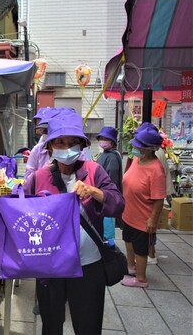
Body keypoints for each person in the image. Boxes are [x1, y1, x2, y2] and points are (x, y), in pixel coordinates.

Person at [11, 111, 124, 334]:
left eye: (73, 142)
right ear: (50, 146)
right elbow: (20, 207)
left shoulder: (94, 171)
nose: (67, 147)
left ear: (82, 145)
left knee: (88, 325)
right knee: (51, 325)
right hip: (51, 265)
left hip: (88, 264)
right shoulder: (40, 176)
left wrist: (94, 191)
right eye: (60, 142)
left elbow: (119, 203)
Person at [121, 125, 166, 288]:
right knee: (128, 240)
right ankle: (131, 267)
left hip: (143, 216)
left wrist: (153, 220)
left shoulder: (156, 169)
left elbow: (159, 199)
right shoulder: (137, 160)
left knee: (141, 248)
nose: (134, 147)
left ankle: (141, 278)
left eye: (137, 145)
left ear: (147, 149)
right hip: (129, 212)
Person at [95, 126, 123, 240]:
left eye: (105, 138)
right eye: (100, 138)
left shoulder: (112, 157)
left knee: (107, 225)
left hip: (106, 195)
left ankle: (109, 245)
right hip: (100, 194)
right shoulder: (105, 154)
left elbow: (111, 179)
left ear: (112, 141)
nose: (102, 140)